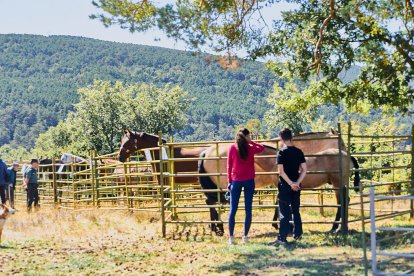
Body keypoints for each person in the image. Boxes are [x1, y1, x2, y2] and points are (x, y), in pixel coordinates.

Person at [227, 128, 265, 245]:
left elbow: (229, 166)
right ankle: (245, 236)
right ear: (247, 136)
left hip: (236, 181)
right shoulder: (251, 148)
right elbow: (262, 148)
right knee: (248, 209)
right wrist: (251, 141)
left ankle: (231, 237)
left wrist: (229, 182)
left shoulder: (232, 148)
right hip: (249, 181)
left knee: (233, 209)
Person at [270, 128, 307, 245]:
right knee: (296, 210)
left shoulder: (281, 152)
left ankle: (282, 237)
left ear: (281, 138)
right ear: (291, 137)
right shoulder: (299, 152)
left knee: (284, 211)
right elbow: (304, 169)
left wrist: (290, 183)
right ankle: (298, 234)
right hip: (297, 185)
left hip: (285, 186)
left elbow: (281, 172)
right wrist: (297, 183)